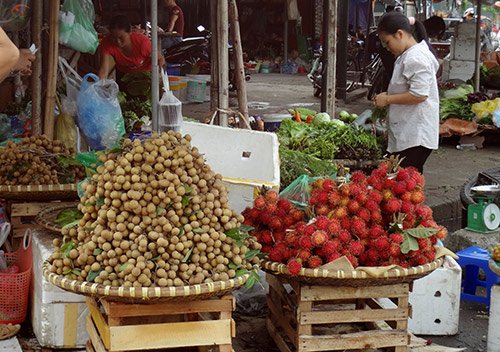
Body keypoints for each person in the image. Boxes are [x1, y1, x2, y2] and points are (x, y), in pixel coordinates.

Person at [372, 11, 440, 173]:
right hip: (409, 131)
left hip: (416, 135)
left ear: (400, 34)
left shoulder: (416, 58)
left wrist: (387, 99)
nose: (387, 48)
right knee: (407, 181)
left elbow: (420, 95)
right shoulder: (407, 55)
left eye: (387, 42)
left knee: (404, 180)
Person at [98, 15, 164, 80]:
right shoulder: (106, 43)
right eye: (114, 38)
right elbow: (103, 70)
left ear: (130, 31)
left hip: (146, 76)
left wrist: (158, 75)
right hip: (125, 76)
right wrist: (99, 84)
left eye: (121, 38)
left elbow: (160, 59)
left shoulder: (142, 42)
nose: (118, 42)